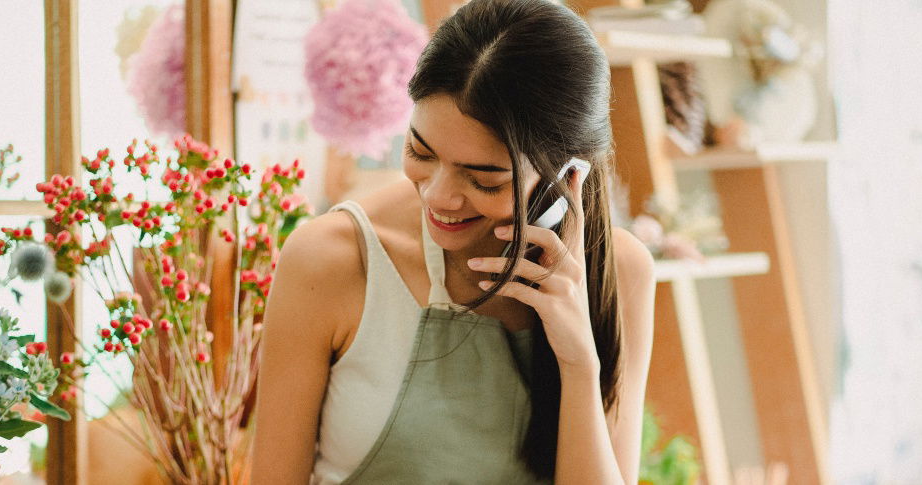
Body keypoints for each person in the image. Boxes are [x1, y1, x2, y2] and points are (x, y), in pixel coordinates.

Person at [251, 0, 656, 483]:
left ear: (567, 176)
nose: (440, 197)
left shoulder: (618, 271)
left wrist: (578, 361)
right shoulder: (332, 259)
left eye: (484, 179)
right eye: (420, 152)